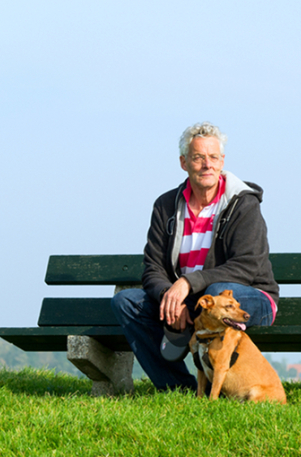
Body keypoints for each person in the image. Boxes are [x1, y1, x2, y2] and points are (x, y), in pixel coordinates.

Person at [111, 122, 279, 391]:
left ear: (222, 161)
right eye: (198, 157)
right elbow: (152, 266)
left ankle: (223, 384)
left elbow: (247, 266)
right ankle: (180, 389)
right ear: (183, 162)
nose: (207, 165)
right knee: (126, 302)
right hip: (195, 301)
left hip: (251, 296)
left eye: (213, 158)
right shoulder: (165, 205)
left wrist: (188, 284)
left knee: (217, 291)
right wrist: (170, 296)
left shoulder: (243, 203)